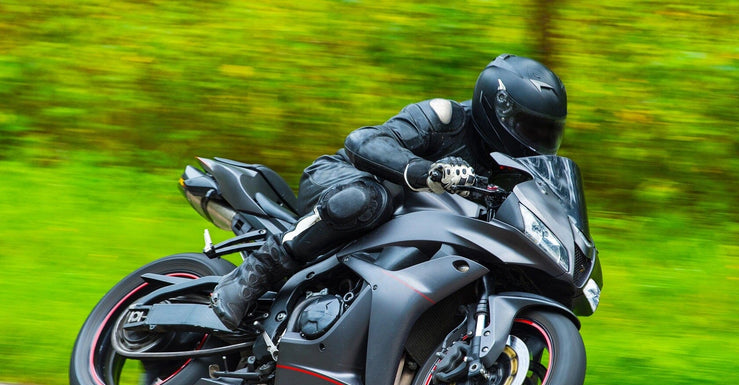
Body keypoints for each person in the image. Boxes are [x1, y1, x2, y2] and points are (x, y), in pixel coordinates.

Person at [210, 54, 567, 329]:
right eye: (529, 127)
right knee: (369, 199)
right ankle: (250, 276)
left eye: (546, 133)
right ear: (499, 109)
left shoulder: (508, 170)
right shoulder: (446, 118)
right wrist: (423, 170)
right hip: (339, 179)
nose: (537, 141)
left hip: (412, 230)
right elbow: (364, 141)